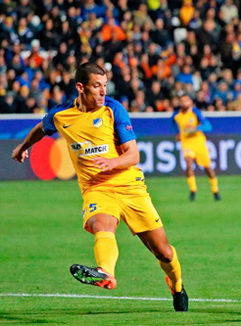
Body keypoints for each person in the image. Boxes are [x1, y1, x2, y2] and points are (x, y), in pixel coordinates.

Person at [11, 62, 188, 312]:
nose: (103, 92)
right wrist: (23, 147)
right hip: (96, 188)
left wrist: (112, 162)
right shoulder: (61, 115)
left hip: (130, 187)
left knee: (164, 253)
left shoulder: (114, 109)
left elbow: (133, 155)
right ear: (80, 88)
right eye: (97, 86)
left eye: (105, 86)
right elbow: (42, 128)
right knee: (101, 224)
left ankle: (177, 284)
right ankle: (105, 272)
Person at [172, 93, 220, 201]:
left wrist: (195, 127)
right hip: (187, 143)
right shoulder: (176, 115)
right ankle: (193, 190)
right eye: (182, 101)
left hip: (199, 143)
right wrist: (177, 134)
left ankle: (215, 190)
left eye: (186, 100)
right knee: (189, 164)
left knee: (208, 168)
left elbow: (208, 126)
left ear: (190, 102)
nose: (184, 103)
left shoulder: (196, 112)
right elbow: (174, 126)